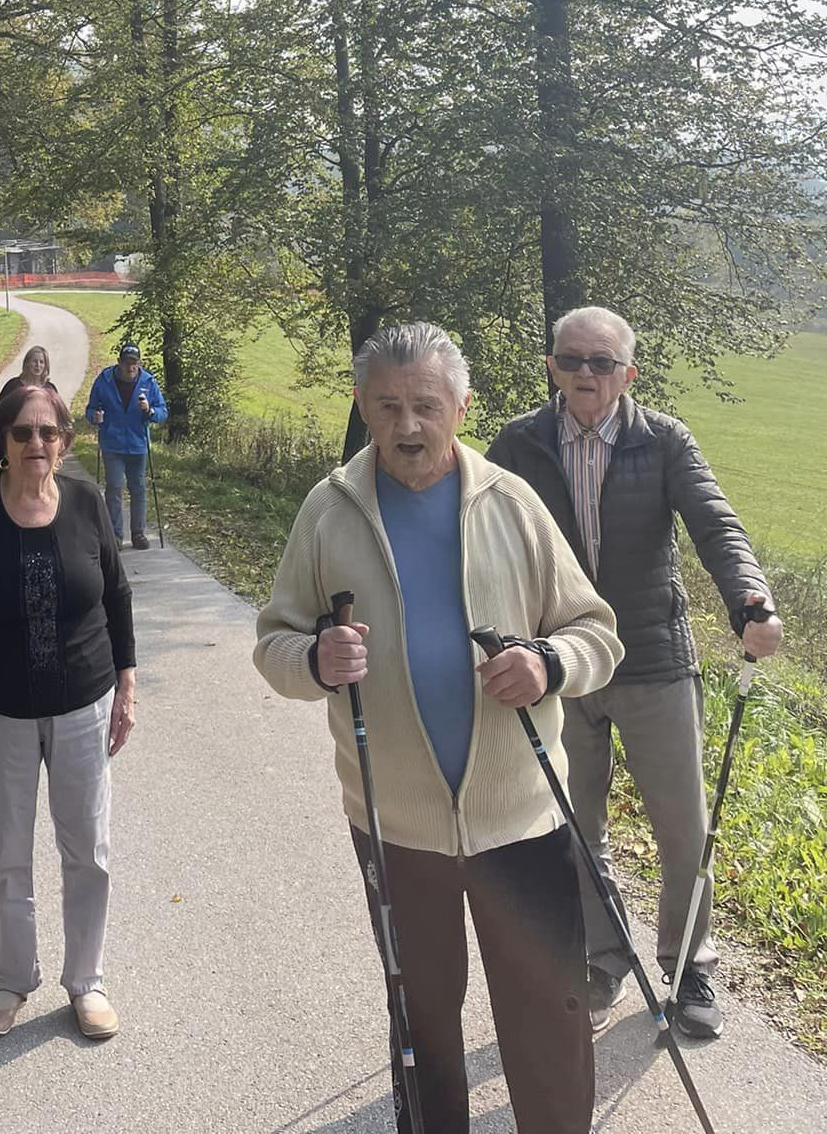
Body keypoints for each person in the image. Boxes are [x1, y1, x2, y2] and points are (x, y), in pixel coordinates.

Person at [253, 321, 622, 1134]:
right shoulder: (329, 509)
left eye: (426, 405)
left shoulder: (512, 505)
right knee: (422, 1020)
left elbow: (597, 632)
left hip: (520, 817)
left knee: (549, 1014)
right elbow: (273, 642)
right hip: (396, 823)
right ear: (362, 404)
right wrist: (313, 659)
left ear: (460, 406)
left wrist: (547, 665)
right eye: (388, 406)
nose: (408, 426)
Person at [487, 304, 784, 1041]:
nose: (586, 374)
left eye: (602, 362)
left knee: (683, 828)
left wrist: (751, 598)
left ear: (629, 373)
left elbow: (717, 524)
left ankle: (689, 968)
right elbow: (476, 532)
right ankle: (603, 957)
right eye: (572, 359)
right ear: (551, 364)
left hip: (652, 659)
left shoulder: (663, 440)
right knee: (576, 826)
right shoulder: (519, 442)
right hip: (560, 663)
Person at [0, 384, 137, 1043]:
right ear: (0, 443)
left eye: (49, 432)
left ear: (64, 440)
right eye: (23, 433)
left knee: (87, 852)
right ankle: (13, 980)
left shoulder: (88, 502)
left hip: (84, 706)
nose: (37, 444)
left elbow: (118, 594)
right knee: (5, 855)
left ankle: (86, 982)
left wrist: (127, 683)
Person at [86, 340, 166, 549]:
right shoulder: (104, 380)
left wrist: (150, 411)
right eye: (127, 363)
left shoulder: (148, 382)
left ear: (139, 363)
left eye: (134, 363)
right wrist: (95, 417)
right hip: (112, 443)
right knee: (114, 487)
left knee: (138, 488)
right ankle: (115, 535)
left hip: (138, 444)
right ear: (119, 362)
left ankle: (138, 533)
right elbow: (90, 409)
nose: (131, 367)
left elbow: (162, 412)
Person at [0, 344, 58, 411]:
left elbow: (59, 413)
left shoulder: (50, 388)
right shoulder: (13, 385)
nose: (38, 365)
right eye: (34, 361)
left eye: (41, 362)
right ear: (27, 363)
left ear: (45, 366)